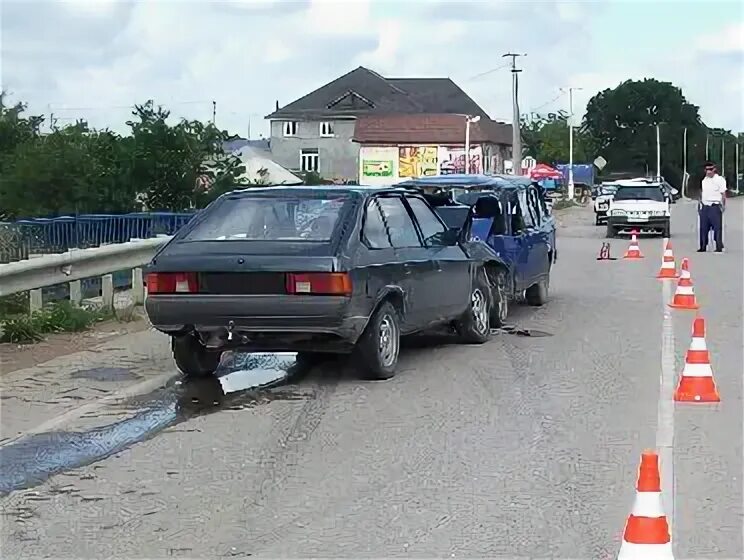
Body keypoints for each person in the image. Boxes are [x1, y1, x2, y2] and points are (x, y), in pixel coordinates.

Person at [698, 161, 727, 253]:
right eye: (707, 169)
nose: (708, 171)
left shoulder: (720, 180)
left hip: (715, 206)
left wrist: (723, 205)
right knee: (703, 228)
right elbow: (703, 193)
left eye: (710, 169)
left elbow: (723, 193)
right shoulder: (704, 181)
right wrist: (700, 205)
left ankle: (718, 246)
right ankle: (703, 246)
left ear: (714, 169)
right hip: (705, 206)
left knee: (717, 228)